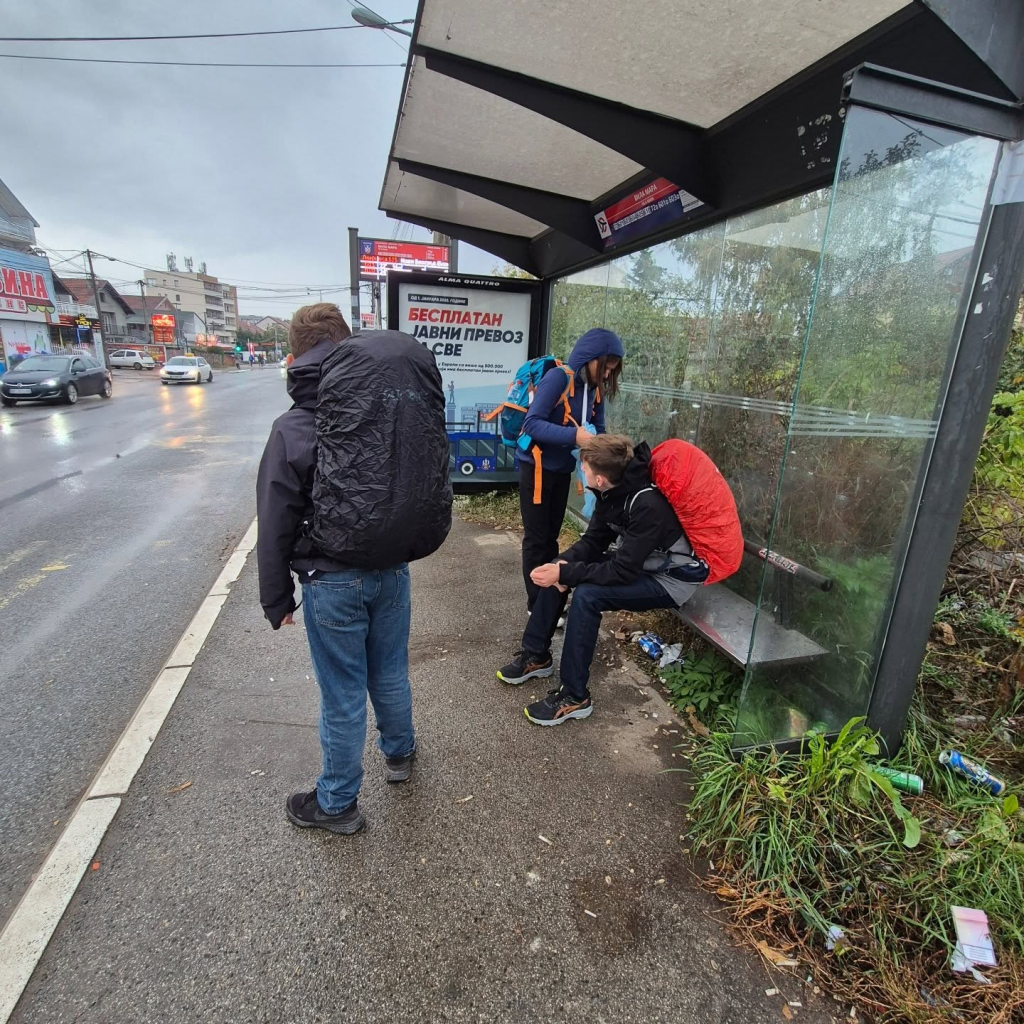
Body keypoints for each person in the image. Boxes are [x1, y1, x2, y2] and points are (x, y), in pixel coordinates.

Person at [257, 304, 451, 835]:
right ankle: (400, 753)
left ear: (295, 357)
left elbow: (275, 518)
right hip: (393, 569)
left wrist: (276, 598)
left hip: (331, 580)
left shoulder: (293, 427)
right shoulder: (391, 407)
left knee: (342, 693)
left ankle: (337, 802)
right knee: (389, 670)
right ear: (345, 345)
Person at [498, 434, 710, 726]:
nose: (581, 470)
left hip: (670, 580)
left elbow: (622, 571)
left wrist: (567, 574)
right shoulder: (612, 492)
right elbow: (593, 542)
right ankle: (536, 656)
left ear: (599, 478)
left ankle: (575, 697)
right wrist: (561, 566)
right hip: (642, 565)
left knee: (588, 595)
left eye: (584, 467)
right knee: (558, 567)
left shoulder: (647, 505)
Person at [516, 328, 624, 612]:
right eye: (605, 367)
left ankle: (549, 596)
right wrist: (574, 436)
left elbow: (599, 428)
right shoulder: (558, 378)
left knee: (551, 536)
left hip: (563, 469)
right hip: (536, 469)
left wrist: (603, 450)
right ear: (589, 358)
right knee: (536, 539)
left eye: (611, 370)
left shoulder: (595, 390)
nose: (606, 374)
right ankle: (536, 605)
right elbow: (532, 424)